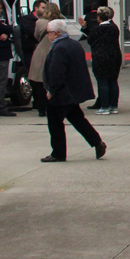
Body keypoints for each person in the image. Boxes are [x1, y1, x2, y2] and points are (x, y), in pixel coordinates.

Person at [40, 19, 106, 162]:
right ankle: (97, 142)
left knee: (55, 122)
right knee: (78, 119)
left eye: (49, 33)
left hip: (62, 93)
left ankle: (58, 153)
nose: (48, 36)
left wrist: (51, 90)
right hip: (72, 92)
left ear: (56, 33)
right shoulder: (74, 44)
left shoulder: (60, 48)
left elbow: (57, 72)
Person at [80, 6, 121, 114]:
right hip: (115, 56)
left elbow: (90, 40)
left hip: (101, 57)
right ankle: (113, 105)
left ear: (99, 17)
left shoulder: (97, 29)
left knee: (103, 82)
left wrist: (85, 27)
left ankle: (104, 106)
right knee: (113, 81)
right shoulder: (114, 27)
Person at [29, 3, 63, 117]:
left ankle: (41, 108)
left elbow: (36, 36)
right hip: (56, 51)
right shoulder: (61, 23)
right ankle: (53, 105)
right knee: (53, 80)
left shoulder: (40, 22)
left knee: (39, 81)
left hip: (41, 52)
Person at [18, 0, 46, 112]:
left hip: (42, 51)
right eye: (43, 8)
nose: (44, 10)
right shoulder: (26, 20)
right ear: (36, 8)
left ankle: (41, 102)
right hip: (30, 51)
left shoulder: (44, 20)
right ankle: (38, 101)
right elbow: (30, 32)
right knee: (34, 77)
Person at [0, 8, 15, 117]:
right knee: (2, 82)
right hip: (2, 55)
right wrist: (7, 30)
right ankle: (2, 107)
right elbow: (11, 28)